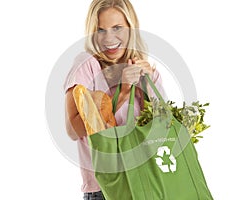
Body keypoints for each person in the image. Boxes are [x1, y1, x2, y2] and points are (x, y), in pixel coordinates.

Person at [64, 0, 165, 199]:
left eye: (117, 27)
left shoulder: (148, 72)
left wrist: (145, 87)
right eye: (101, 30)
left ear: (130, 27)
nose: (109, 38)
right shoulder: (87, 65)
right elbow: (72, 130)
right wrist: (124, 92)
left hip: (148, 183)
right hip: (105, 189)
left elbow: (162, 129)